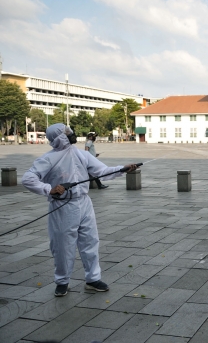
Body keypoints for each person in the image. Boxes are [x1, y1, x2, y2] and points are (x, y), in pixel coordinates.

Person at [22, 123, 138, 297]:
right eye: (68, 132)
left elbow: (102, 171)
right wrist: (49, 189)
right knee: (62, 246)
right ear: (60, 137)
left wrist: (122, 169)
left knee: (90, 241)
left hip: (84, 202)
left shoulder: (82, 154)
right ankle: (62, 281)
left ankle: (93, 279)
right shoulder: (48, 159)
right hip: (63, 207)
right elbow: (28, 178)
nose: (72, 134)